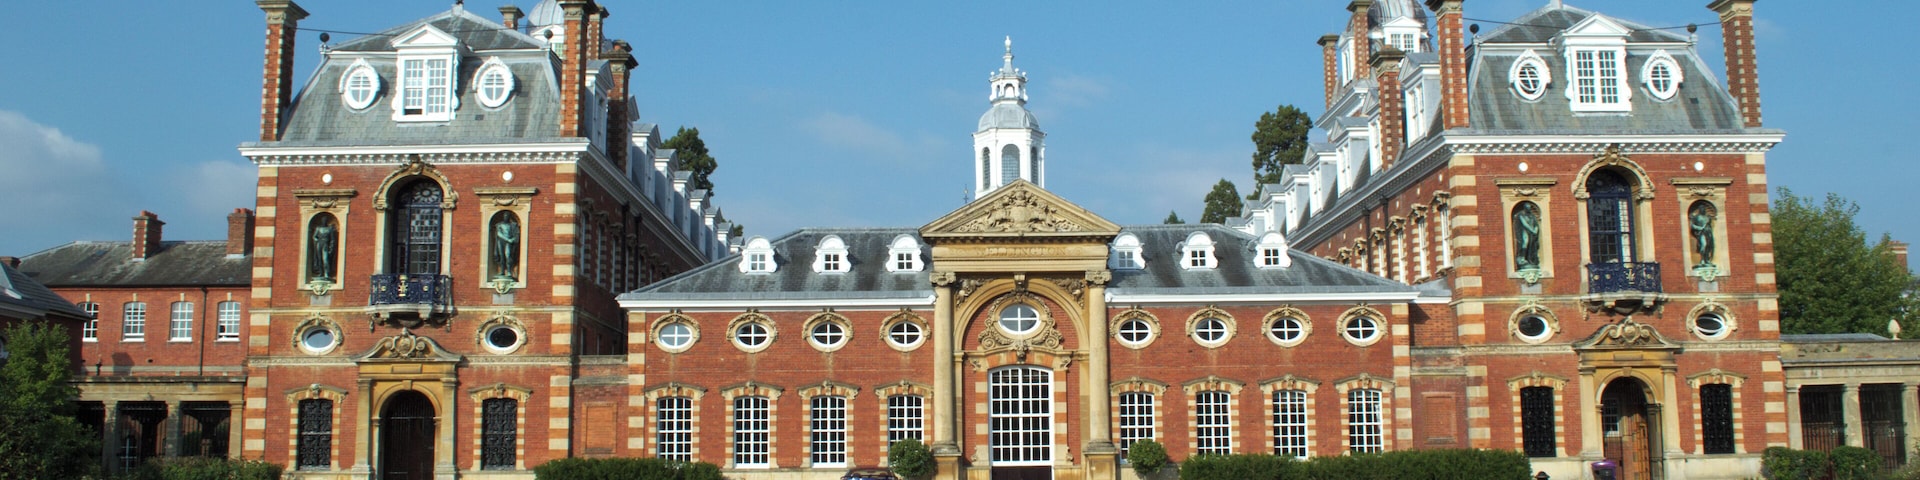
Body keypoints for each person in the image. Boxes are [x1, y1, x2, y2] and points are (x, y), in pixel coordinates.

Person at [1513, 202, 1541, 270]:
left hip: (1532, 234)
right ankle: (1522, 258)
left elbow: (1536, 224)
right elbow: (1524, 224)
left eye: (1530, 208)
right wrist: (1532, 230)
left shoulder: (1532, 215)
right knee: (1525, 243)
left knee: (1532, 245)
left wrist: (1535, 230)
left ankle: (1531, 260)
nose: (1529, 209)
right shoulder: (1520, 215)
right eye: (1528, 208)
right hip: (1524, 232)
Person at [491, 214, 520, 280]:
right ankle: (502, 271)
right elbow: (499, 233)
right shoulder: (499, 225)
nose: (506, 217)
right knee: (502, 256)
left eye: (507, 216)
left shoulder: (512, 225)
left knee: (508, 255)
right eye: (505, 216)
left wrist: (513, 239)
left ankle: (509, 271)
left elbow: (516, 233)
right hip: (502, 242)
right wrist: (508, 239)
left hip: (509, 243)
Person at [1690, 202, 1716, 267]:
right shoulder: (1696, 217)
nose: (1703, 209)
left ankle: (1706, 259)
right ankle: (1702, 259)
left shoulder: (1708, 217)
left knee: (1708, 246)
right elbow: (1692, 226)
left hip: (1708, 233)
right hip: (1701, 233)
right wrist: (1700, 228)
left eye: (1703, 208)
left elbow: (1710, 225)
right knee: (1704, 245)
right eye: (1701, 208)